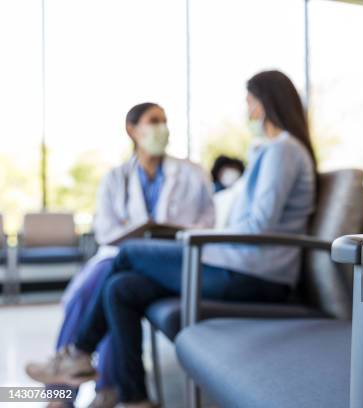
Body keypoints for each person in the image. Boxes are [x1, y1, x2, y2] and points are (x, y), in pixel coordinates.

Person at [26, 70, 317, 408]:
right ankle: (133, 397)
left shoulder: (281, 152)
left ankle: (78, 354)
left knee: (129, 254)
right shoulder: (272, 152)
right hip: (239, 264)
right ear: (132, 131)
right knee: (120, 288)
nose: (248, 111)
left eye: (250, 102)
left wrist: (199, 236)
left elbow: (258, 225)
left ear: (266, 104)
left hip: (257, 275)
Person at [39, 102, 215, 408]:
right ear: (132, 130)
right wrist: (133, 230)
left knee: (109, 286)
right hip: (120, 254)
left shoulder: (191, 172)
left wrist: (169, 229)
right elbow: (105, 229)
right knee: (90, 289)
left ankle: (99, 381)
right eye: (153, 121)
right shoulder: (115, 177)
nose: (162, 128)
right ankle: (68, 393)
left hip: (171, 257)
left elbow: (208, 222)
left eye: (164, 121)